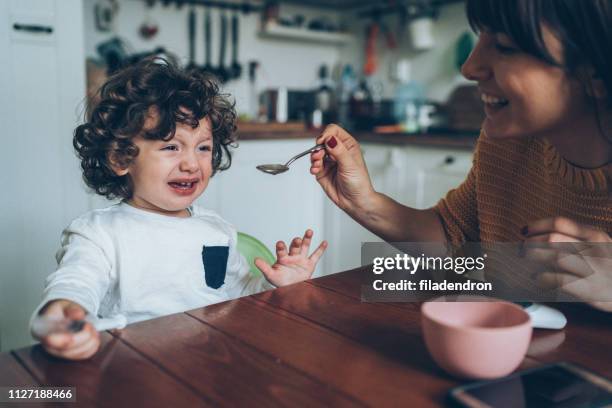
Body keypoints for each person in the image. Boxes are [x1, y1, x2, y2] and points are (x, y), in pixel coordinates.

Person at [310, 0, 612, 311]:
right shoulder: (511, 140)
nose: (469, 68)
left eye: (505, 46)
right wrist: (364, 201)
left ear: (595, 72)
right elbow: (457, 242)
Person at [32, 58, 327, 360]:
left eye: (203, 148)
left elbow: (237, 296)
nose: (191, 164)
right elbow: (74, 285)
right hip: (131, 366)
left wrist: (276, 284)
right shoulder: (99, 234)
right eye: (171, 147)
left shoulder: (216, 229)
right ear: (121, 158)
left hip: (211, 363)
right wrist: (60, 317)